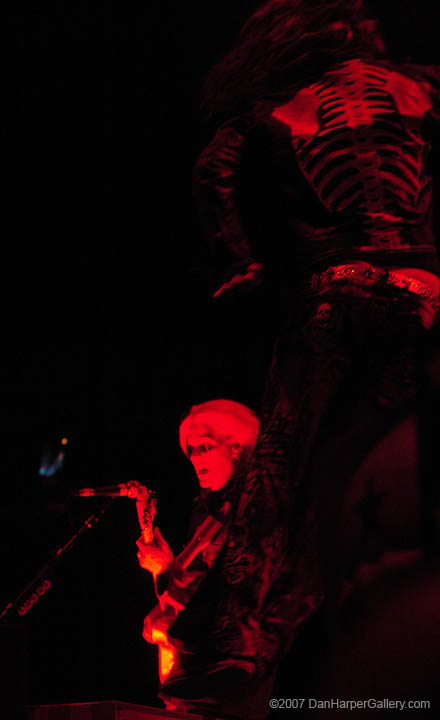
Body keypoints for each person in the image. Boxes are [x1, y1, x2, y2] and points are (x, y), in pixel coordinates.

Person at [192, 0, 440, 703]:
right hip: (422, 292)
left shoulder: (274, 106)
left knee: (281, 464)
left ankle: (242, 644)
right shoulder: (421, 84)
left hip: (336, 288)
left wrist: (238, 258)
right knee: (373, 466)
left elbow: (211, 172)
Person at [137, 399, 273, 718]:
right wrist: (166, 570)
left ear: (236, 447)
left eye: (205, 447)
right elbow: (194, 588)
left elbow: (236, 592)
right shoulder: (208, 512)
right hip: (197, 682)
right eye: (191, 450)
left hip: (234, 684)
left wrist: (172, 591)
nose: (195, 457)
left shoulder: (258, 507)